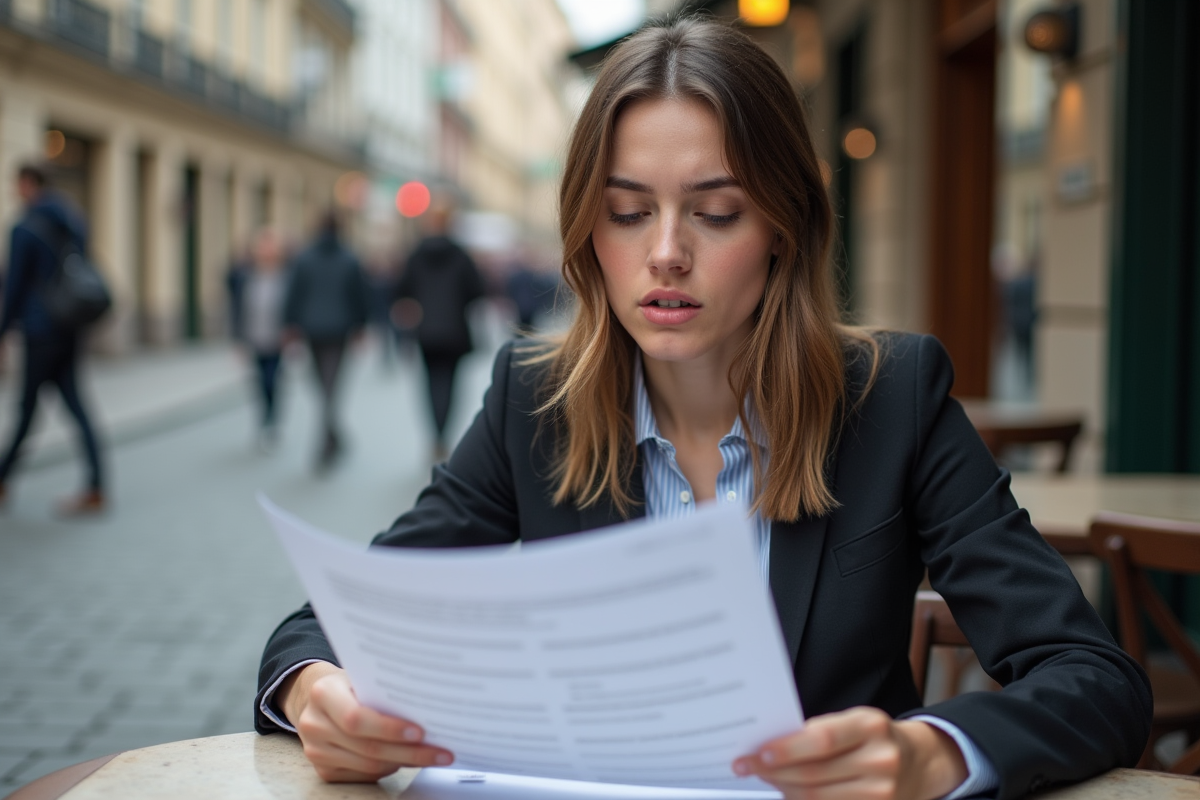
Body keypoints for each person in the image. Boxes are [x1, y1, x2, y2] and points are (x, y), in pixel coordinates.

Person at [255, 19, 1150, 799]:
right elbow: (327, 624)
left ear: (782, 232)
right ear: (585, 233)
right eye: (628, 213)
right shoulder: (536, 400)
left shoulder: (892, 396)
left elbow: (1094, 677)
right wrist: (315, 692)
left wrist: (930, 756)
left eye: (717, 213)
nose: (667, 254)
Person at [0, 164, 105, 515]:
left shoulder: (24, 228)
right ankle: (96, 486)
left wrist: (3, 332)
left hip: (39, 328)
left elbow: (13, 287)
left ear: (28, 184)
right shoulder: (71, 220)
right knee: (75, 404)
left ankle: (2, 480)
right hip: (69, 325)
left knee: (28, 408)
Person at [392, 201, 485, 460]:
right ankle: (443, 435)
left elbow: (401, 289)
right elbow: (477, 290)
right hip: (455, 331)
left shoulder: (416, 254)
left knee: (430, 384)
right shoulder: (461, 255)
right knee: (451, 385)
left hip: (426, 331)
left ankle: (435, 435)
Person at [283, 212, 369, 470]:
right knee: (329, 387)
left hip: (312, 329)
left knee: (322, 386)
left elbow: (294, 293)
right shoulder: (349, 258)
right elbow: (359, 296)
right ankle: (333, 436)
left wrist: (290, 325)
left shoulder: (304, 258)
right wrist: (360, 327)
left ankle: (326, 444)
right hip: (339, 329)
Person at [227, 228, 289, 451]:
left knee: (273, 379)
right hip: (254, 336)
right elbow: (237, 308)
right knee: (259, 381)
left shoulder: (286, 275)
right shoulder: (246, 276)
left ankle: (272, 421)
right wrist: (237, 339)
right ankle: (264, 419)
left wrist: (292, 334)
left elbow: (292, 307)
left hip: (277, 338)